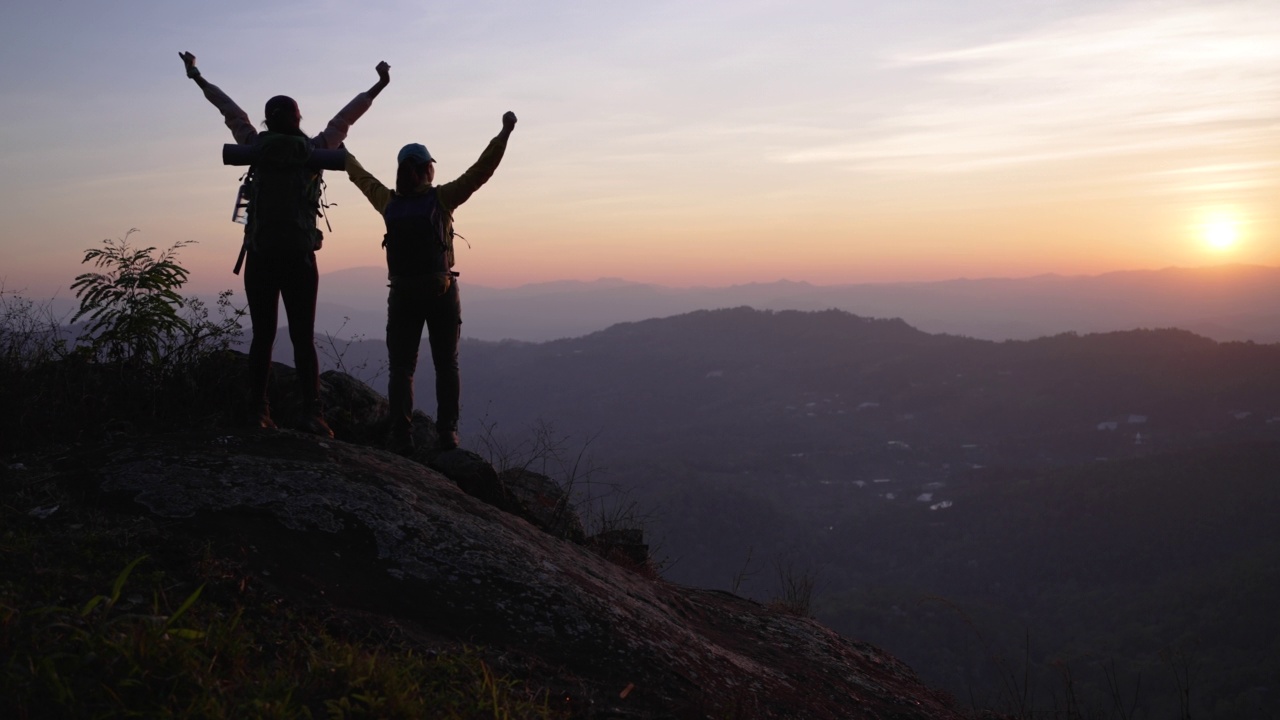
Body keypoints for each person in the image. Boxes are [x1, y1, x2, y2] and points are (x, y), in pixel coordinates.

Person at [179, 51, 391, 437]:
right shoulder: (314, 151)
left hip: (260, 256)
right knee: (302, 338)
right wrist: (378, 86)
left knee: (262, 336)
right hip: (299, 259)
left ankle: (258, 411)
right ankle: (313, 414)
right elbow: (344, 119)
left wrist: (197, 76)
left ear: (267, 121)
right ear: (297, 120)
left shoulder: (255, 145)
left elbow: (231, 113)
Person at [345, 111, 517, 451]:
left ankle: (401, 433)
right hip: (441, 290)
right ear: (428, 169)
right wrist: (505, 132)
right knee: (447, 363)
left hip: (403, 292)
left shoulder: (388, 201)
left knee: (401, 367)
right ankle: (447, 432)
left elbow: (360, 177)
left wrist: (343, 153)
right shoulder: (441, 199)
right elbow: (481, 171)